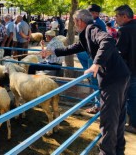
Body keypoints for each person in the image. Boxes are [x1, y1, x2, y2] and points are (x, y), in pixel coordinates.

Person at [43, 9, 130, 155]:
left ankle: (107, 152)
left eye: (74, 21)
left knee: (109, 120)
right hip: (121, 75)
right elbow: (75, 47)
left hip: (112, 79)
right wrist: (52, 52)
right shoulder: (86, 34)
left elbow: (107, 40)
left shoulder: (91, 29)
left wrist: (96, 63)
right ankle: (118, 151)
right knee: (119, 116)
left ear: (79, 21)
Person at [115, 5, 136, 134]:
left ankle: (133, 125)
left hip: (130, 70)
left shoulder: (124, 30)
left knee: (131, 98)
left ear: (124, 16)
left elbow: (120, 53)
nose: (115, 18)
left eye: (117, 16)